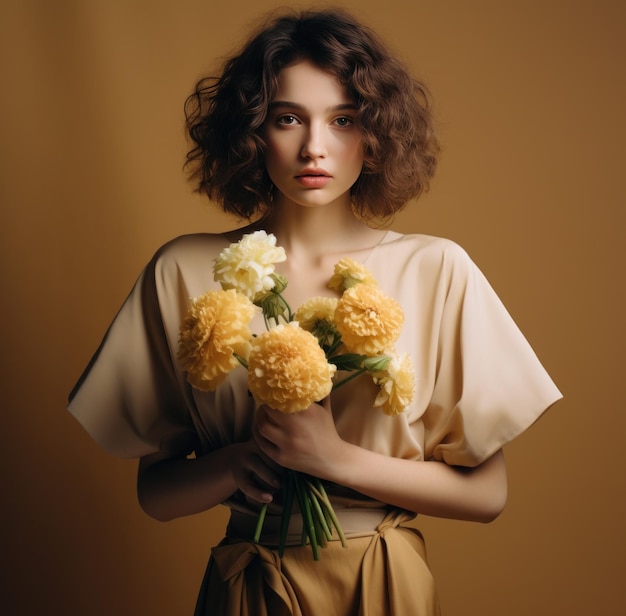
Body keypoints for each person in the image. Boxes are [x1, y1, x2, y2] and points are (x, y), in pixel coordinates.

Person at [67, 8, 562, 615]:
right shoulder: (183, 271)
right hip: (250, 583)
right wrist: (236, 464)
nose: (314, 147)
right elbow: (156, 492)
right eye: (288, 119)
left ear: (375, 134)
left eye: (343, 120)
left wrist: (334, 459)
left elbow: (488, 494)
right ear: (253, 132)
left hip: (382, 585)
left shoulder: (437, 269)